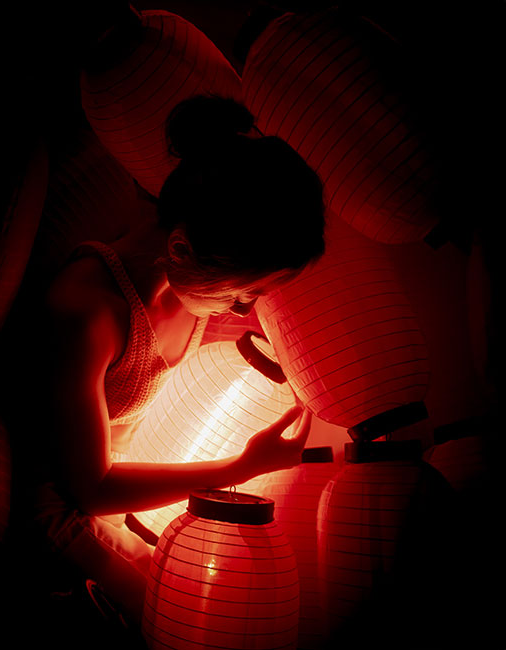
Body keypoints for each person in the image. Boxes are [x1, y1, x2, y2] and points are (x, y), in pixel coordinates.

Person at [18, 94, 326, 631]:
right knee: (187, 619)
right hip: (60, 507)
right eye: (240, 293)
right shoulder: (88, 312)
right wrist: (242, 467)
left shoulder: (188, 280)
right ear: (181, 249)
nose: (246, 308)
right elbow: (89, 489)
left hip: (118, 495)